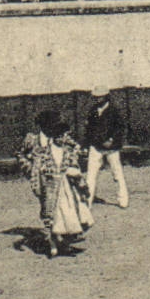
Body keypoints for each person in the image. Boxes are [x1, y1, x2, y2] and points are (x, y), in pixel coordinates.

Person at [20, 110, 93, 257]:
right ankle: (55, 238)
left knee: (60, 208)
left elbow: (75, 149)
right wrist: (31, 171)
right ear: (42, 126)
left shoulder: (62, 138)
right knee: (48, 208)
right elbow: (21, 155)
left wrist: (73, 165)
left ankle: (59, 237)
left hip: (60, 180)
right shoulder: (32, 139)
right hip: (42, 181)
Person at [84, 85, 129, 209]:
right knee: (91, 175)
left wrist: (111, 140)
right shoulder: (93, 110)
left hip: (111, 148)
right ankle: (87, 202)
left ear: (106, 97)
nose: (98, 99)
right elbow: (89, 130)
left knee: (117, 174)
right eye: (96, 97)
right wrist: (88, 144)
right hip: (96, 146)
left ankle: (123, 199)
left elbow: (120, 128)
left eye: (100, 97)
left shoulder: (114, 111)